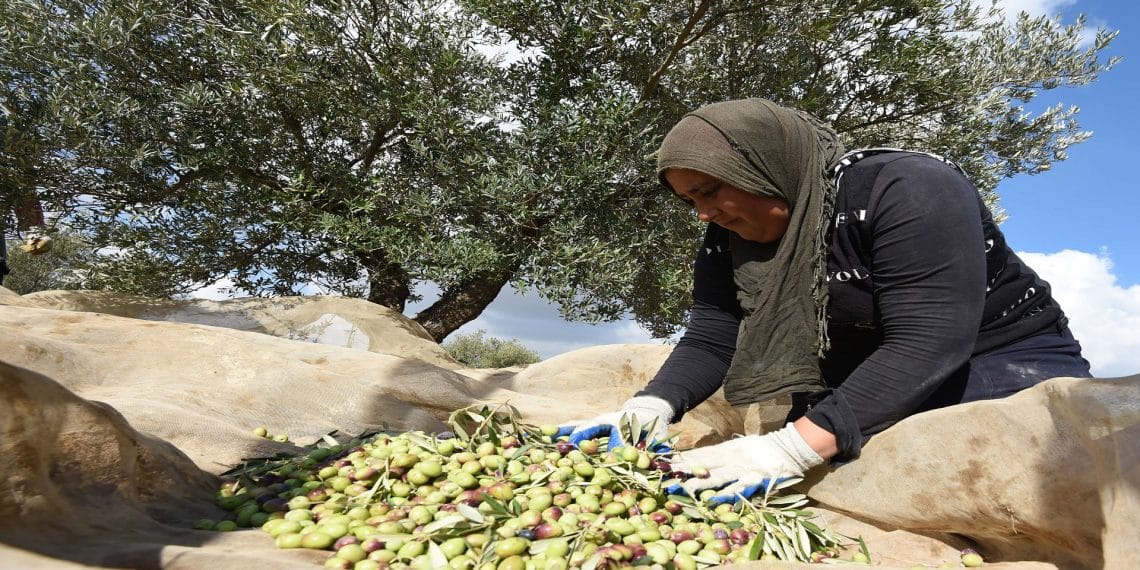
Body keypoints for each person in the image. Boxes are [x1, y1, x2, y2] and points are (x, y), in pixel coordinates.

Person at [561, 98, 1092, 504]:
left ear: (762, 168)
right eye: (689, 200)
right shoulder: (731, 237)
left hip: (997, 359)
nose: (703, 214)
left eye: (708, 190)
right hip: (862, 372)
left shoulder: (905, 188)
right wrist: (651, 407)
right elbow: (714, 332)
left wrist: (789, 448)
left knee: (938, 458)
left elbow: (930, 339)